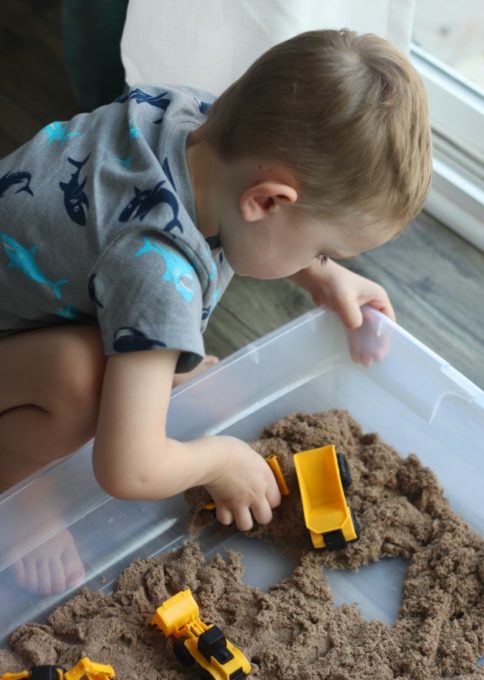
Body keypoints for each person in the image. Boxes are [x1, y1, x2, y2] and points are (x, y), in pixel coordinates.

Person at [0, 30, 432, 584]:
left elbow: (245, 214)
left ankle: (142, 362)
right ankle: (18, 485)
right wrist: (221, 459)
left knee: (137, 350)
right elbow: (128, 469)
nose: (319, 261)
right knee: (80, 381)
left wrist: (323, 275)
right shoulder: (156, 268)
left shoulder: (191, 117)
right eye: (323, 249)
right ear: (268, 201)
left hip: (36, 301)